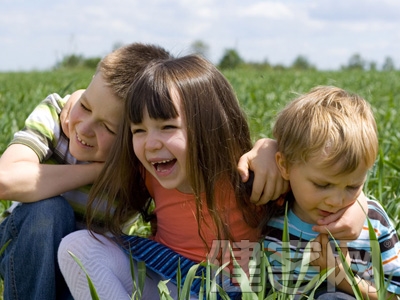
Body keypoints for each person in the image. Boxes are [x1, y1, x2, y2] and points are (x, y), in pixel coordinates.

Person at [58, 59, 370, 299]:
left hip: (235, 289)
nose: (151, 143)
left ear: (208, 126)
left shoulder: (254, 174)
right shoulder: (146, 169)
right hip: (169, 274)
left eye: (167, 127)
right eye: (139, 130)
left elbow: (330, 177)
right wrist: (75, 104)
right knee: (77, 247)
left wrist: (358, 205)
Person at [0, 42, 174, 300]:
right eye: (86, 105)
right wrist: (98, 171)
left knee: (91, 250)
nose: (83, 128)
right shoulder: (56, 117)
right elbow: (6, 180)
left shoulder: (142, 163)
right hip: (26, 250)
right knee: (49, 210)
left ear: (136, 138)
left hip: (82, 263)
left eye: (108, 127)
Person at [262, 86, 400, 299]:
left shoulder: (374, 224)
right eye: (322, 185)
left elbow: (393, 295)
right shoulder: (270, 214)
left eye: (353, 187)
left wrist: (339, 275)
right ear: (284, 165)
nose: (336, 201)